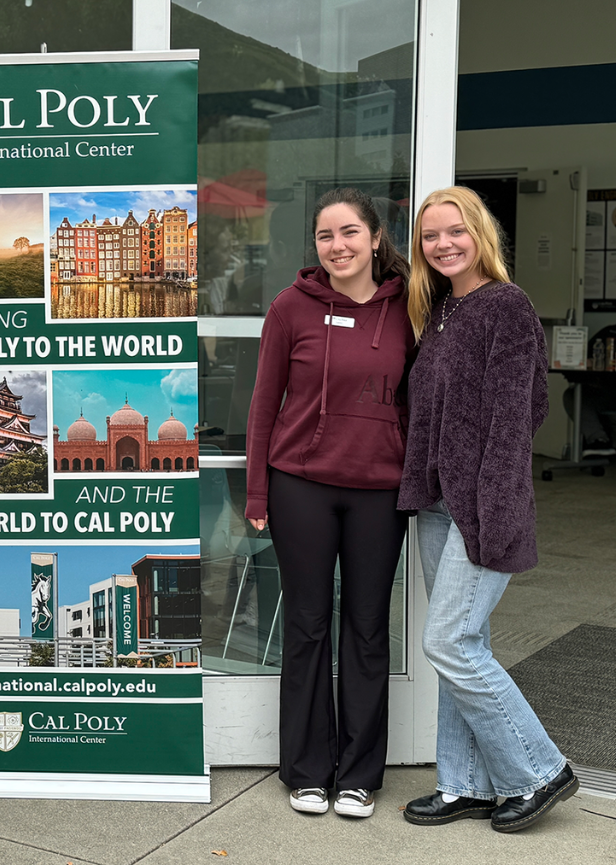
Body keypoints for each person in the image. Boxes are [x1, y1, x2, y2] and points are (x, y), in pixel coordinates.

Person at [399, 187, 576, 833]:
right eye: (429, 236)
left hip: (483, 505)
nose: (442, 244)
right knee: (462, 645)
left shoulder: (506, 305)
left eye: (455, 231)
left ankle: (538, 769)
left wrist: (496, 505)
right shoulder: (442, 309)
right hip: (439, 502)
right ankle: (465, 783)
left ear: (481, 234)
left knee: (447, 640)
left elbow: (517, 415)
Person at [245, 187, 414, 819]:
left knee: (368, 630)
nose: (337, 246)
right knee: (307, 625)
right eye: (324, 236)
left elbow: (417, 404)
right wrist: (257, 490)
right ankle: (308, 769)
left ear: (375, 238)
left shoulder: (411, 309)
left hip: (380, 491)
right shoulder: (292, 307)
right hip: (301, 486)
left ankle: (360, 773)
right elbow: (264, 405)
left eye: (348, 233)